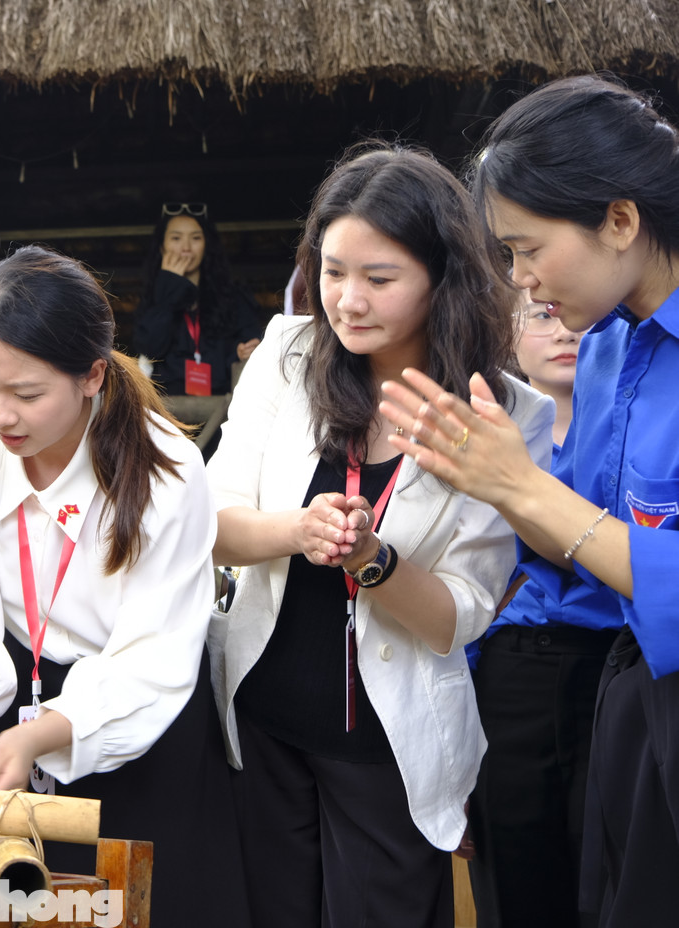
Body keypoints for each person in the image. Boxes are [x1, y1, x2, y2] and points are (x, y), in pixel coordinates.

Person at [207, 144, 554, 927]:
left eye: (379, 278)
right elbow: (212, 526)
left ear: (443, 276)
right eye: (332, 272)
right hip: (263, 719)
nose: (347, 300)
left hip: (389, 747)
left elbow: (456, 617)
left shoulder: (507, 413)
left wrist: (372, 560)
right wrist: (297, 532)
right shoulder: (286, 359)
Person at [379, 74, 679, 926]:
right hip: (627, 692)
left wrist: (519, 485)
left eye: (527, 248)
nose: (521, 280)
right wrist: (489, 478)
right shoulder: (608, 348)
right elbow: (575, 540)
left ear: (620, 220)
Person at [0, 245, 250, 926]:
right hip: (7, 707)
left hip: (136, 720)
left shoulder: (169, 471)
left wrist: (45, 735)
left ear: (92, 375)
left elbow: (154, 656)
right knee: (2, 904)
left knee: (137, 905)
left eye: (27, 394)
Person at [466, 299, 617, 928]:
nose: (564, 333)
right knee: (518, 886)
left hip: (618, 664)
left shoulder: (632, 417)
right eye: (542, 317)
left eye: (574, 317)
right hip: (515, 670)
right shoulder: (487, 432)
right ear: (508, 332)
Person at [132, 202, 264, 396]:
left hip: (221, 409)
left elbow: (252, 346)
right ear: (162, 247)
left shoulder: (233, 297)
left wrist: (242, 352)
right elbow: (150, 349)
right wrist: (170, 289)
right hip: (170, 411)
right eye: (176, 238)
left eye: (195, 238)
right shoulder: (151, 297)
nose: (186, 248)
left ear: (206, 245)